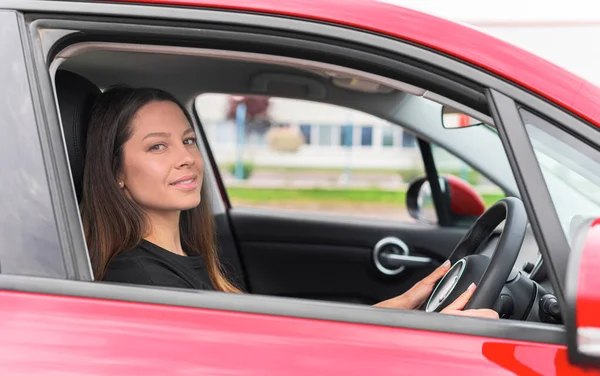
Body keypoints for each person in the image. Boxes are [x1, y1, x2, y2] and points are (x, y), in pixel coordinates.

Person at [80, 86, 498, 319]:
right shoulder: (141, 283)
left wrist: (397, 312)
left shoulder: (184, 259)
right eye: (158, 147)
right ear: (116, 173)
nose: (187, 156)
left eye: (188, 140)